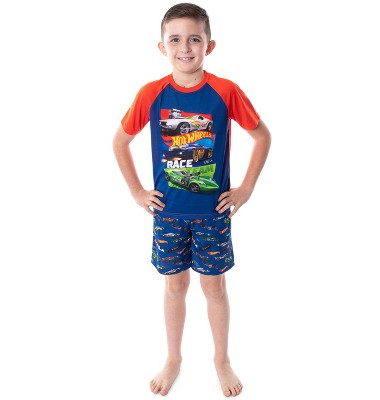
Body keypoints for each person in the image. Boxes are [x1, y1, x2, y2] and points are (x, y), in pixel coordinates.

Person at [113, 2, 271, 397]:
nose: (185, 48)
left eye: (194, 39)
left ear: (209, 46)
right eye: (175, 40)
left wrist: (247, 188)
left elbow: (262, 136)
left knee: (214, 288)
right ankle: (173, 359)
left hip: (213, 214)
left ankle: (221, 359)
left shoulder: (225, 91)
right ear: (162, 47)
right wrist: (136, 191)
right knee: (174, 287)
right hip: (167, 214)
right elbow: (120, 142)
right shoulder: (151, 94)